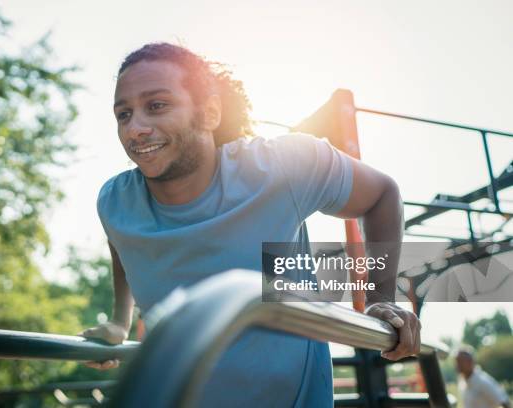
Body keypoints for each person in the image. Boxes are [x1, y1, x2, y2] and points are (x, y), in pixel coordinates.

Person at [81, 42, 421, 407]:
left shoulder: (282, 167)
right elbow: (122, 242)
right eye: (123, 114)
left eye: (156, 106)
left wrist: (380, 300)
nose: (136, 129)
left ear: (209, 113)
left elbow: (383, 194)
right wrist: (120, 321)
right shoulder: (114, 202)